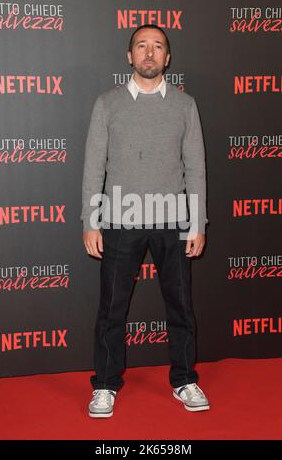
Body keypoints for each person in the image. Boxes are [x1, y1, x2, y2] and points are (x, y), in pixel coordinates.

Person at [80, 24, 210, 418]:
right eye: (141, 46)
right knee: (112, 309)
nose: (149, 53)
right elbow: (93, 167)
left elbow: (196, 169)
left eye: (157, 47)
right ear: (129, 56)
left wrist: (198, 223)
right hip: (120, 219)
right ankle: (104, 385)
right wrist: (90, 220)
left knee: (181, 307)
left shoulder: (185, 106)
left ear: (168, 58)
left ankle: (185, 379)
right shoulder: (107, 104)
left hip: (173, 220)